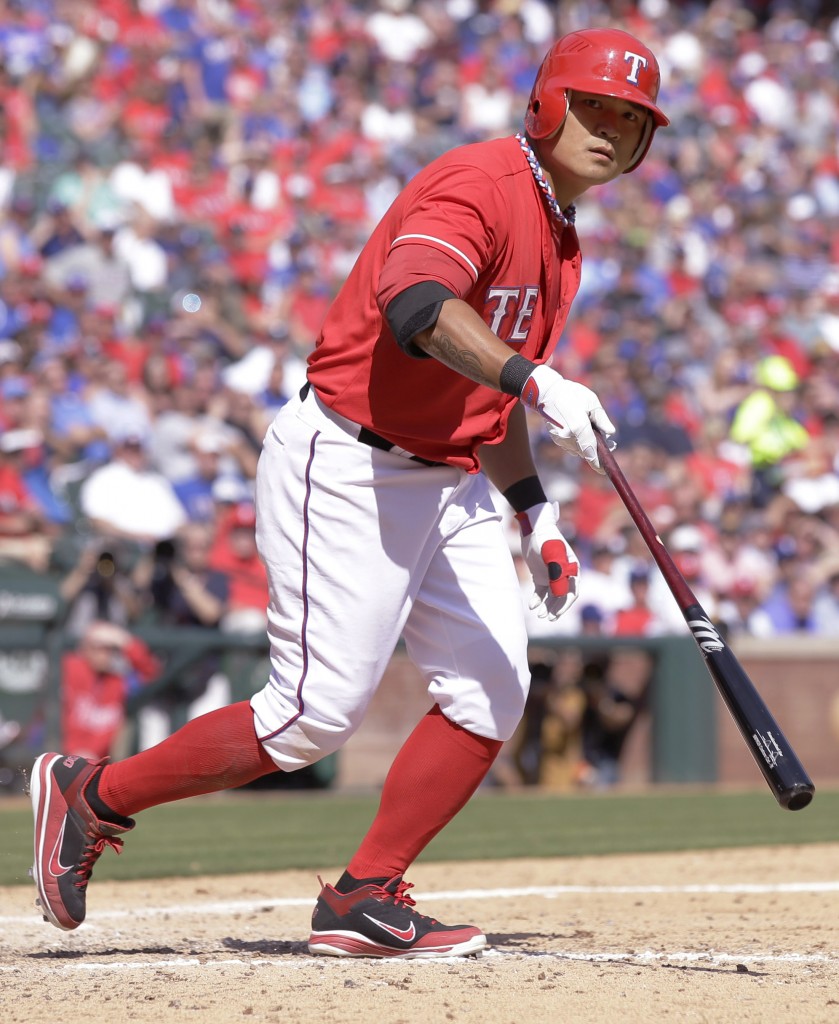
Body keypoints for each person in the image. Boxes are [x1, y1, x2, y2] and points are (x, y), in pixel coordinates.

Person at [30, 28, 668, 957]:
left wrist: (535, 511)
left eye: (631, 119)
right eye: (594, 106)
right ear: (545, 104)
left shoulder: (561, 235)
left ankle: (364, 893)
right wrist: (533, 376)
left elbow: (484, 392)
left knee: (492, 692)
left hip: (445, 478)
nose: (611, 130)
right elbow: (418, 309)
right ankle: (91, 796)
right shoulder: (480, 183)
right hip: (349, 458)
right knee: (311, 717)